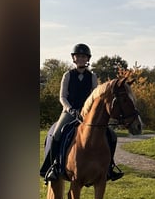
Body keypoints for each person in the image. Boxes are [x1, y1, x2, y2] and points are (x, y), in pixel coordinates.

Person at [40, 43, 123, 182]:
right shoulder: (67, 75)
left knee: (112, 135)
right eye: (78, 56)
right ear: (74, 58)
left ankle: (109, 168)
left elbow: (96, 97)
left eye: (83, 56)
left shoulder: (92, 77)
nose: (81, 59)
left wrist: (91, 111)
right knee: (56, 134)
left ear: (87, 59)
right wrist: (70, 109)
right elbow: (62, 96)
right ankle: (53, 167)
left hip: (88, 113)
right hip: (69, 111)